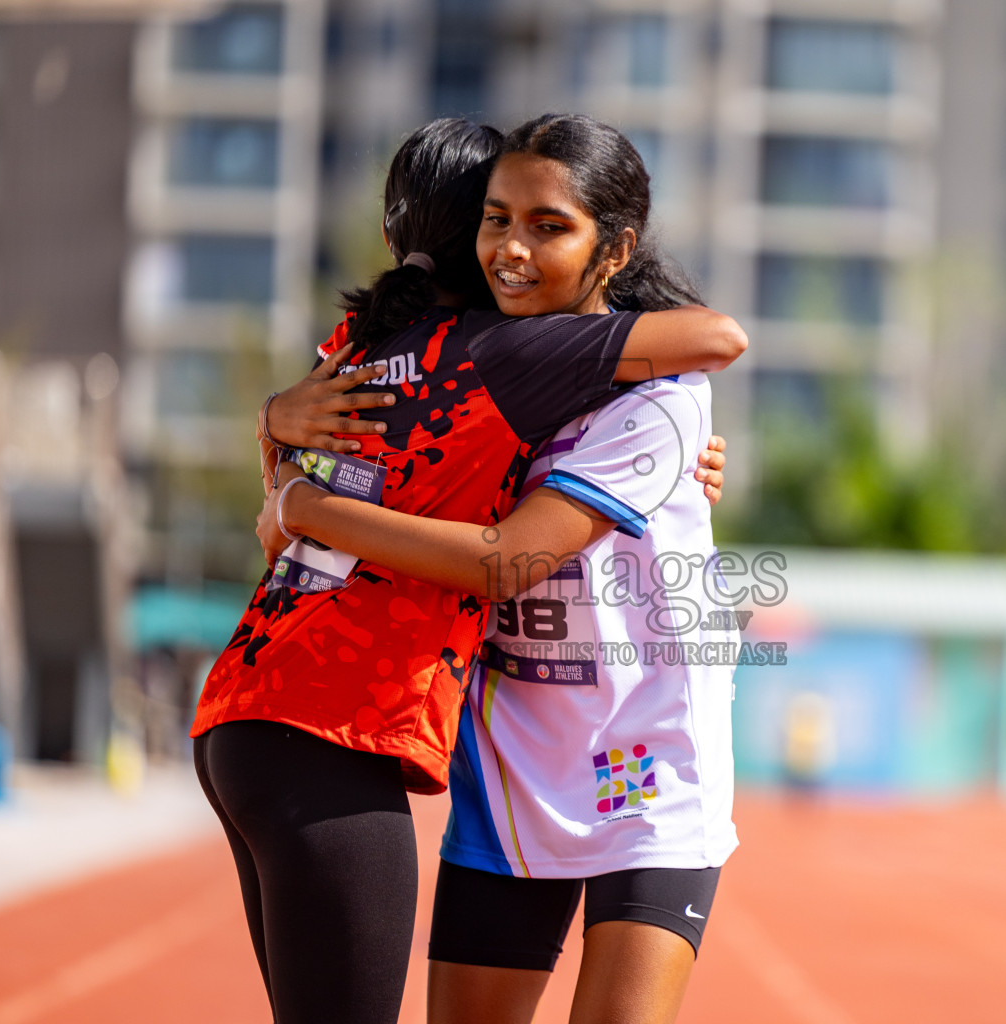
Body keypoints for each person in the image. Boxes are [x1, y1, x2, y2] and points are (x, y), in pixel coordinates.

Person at [191, 116, 746, 1024]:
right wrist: (278, 430)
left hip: (648, 767)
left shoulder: (646, 390)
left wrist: (297, 495)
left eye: (548, 225)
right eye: (496, 219)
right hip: (511, 763)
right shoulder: (476, 361)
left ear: (616, 247)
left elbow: (508, 560)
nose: (513, 248)